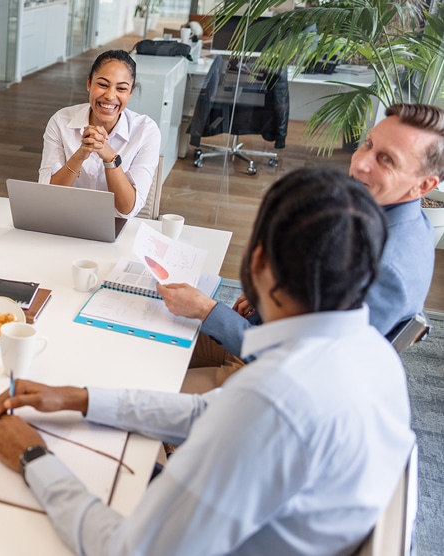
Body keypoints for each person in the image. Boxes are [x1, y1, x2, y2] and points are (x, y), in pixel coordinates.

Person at [0, 168, 414, 555]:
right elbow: (210, 412)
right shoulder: (370, 352)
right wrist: (80, 398)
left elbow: (125, 549)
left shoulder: (273, 402)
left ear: (257, 258)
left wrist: (30, 456)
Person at [159, 103, 439, 385]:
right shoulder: (387, 215)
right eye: (367, 144)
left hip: (267, 377)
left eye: (387, 160)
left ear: (423, 186)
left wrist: (207, 311)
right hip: (256, 334)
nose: (360, 163)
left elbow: (305, 360)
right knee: (136, 331)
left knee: (139, 382)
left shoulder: (387, 268)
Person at [38, 50, 162, 217]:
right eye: (103, 85)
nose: (110, 96)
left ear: (131, 92)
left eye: (121, 88)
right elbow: (47, 197)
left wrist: (110, 158)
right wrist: (80, 155)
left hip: (115, 227)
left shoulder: (146, 131)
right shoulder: (61, 121)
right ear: (89, 83)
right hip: (64, 221)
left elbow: (127, 209)